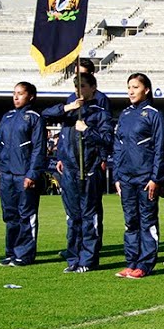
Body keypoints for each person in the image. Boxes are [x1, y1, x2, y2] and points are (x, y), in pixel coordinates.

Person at [44, 71, 114, 273]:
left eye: (83, 86)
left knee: (88, 216)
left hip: (89, 171)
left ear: (93, 88)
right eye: (76, 86)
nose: (79, 90)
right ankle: (73, 257)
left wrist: (87, 131)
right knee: (73, 217)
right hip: (70, 171)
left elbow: (107, 141)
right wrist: (68, 107)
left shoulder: (100, 114)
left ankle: (88, 259)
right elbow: (44, 115)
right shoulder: (70, 111)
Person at [111, 73, 164, 279]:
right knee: (130, 222)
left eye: (135, 87)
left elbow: (160, 150)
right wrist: (116, 176)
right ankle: (131, 262)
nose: (131, 91)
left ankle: (145, 264)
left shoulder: (154, 115)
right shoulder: (124, 115)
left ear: (146, 90)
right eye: (128, 87)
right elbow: (117, 147)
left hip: (145, 179)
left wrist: (155, 178)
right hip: (126, 178)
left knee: (147, 221)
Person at [0, 81, 48, 266]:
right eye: (14, 93)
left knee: (26, 214)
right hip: (6, 174)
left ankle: (25, 253)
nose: (16, 97)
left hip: (24, 174)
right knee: (10, 215)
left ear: (30, 96)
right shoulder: (7, 117)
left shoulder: (35, 118)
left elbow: (39, 148)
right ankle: (11, 252)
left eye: (20, 93)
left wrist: (32, 174)